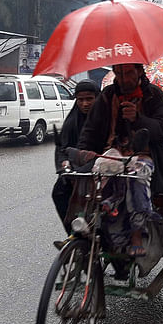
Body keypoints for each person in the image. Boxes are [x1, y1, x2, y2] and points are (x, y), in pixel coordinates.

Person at [78, 63, 163, 195]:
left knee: (137, 182)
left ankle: (142, 215)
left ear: (139, 71)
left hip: (143, 157)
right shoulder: (107, 95)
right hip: (109, 155)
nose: (123, 80)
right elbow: (90, 131)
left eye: (128, 73)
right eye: (119, 74)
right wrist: (83, 153)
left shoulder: (154, 95)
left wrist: (138, 119)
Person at [52, 79, 100, 230]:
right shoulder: (72, 121)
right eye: (80, 100)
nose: (85, 104)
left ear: (98, 98)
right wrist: (64, 163)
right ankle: (73, 235)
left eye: (89, 99)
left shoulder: (106, 119)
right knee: (59, 191)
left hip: (100, 168)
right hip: (75, 169)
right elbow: (62, 147)